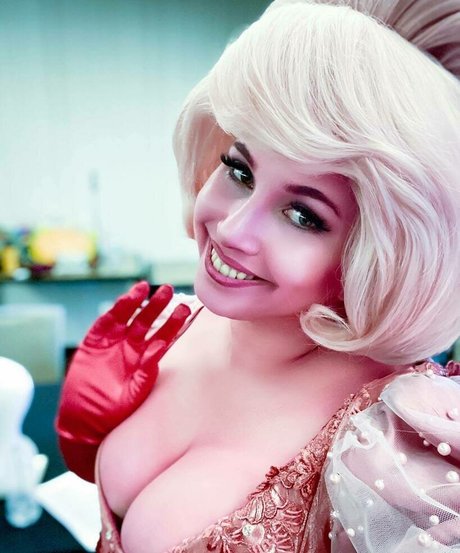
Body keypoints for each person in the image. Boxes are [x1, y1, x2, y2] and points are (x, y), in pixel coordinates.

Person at [55, 1, 460, 551]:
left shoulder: (398, 443)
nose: (232, 229)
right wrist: (86, 444)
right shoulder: (181, 325)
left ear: (382, 252)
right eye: (240, 171)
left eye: (303, 215)